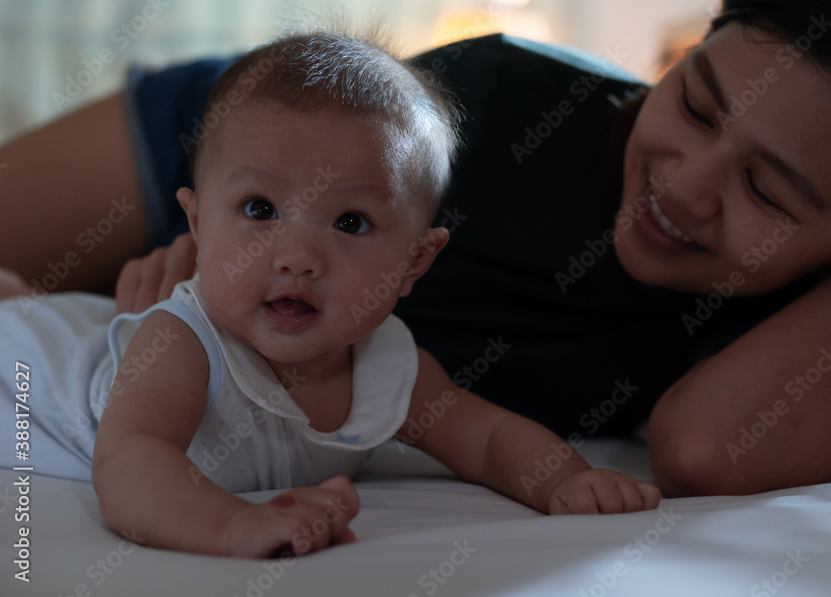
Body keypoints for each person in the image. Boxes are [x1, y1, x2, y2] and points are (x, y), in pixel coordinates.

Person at [2, 0, 831, 498]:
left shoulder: (824, 303)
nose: (686, 188)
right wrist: (216, 251)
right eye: (695, 103)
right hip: (223, 160)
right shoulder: (503, 98)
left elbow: (706, 454)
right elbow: (290, 170)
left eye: (768, 193)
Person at [0, 30, 661, 559]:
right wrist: (233, 525)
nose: (297, 258)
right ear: (197, 224)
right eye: (260, 209)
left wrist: (566, 479)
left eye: (350, 222)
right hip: (23, 371)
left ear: (415, 261)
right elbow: (130, 462)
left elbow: (487, 438)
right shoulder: (184, 342)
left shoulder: (388, 368)